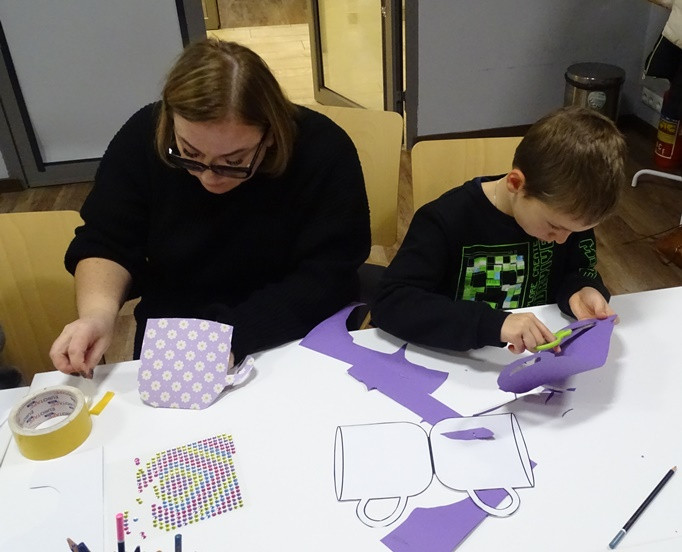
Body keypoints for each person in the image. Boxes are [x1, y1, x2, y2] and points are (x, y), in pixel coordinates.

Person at [49, 39, 371, 377]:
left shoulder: (323, 151)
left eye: (233, 161)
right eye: (189, 153)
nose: (209, 178)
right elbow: (107, 240)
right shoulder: (143, 136)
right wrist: (97, 314)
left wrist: (228, 337)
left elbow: (329, 273)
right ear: (170, 121)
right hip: (177, 331)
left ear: (271, 134)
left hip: (295, 326)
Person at [371, 106, 627, 355]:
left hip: (533, 359)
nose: (561, 240)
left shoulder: (568, 218)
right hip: (457, 361)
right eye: (554, 227)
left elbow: (576, 270)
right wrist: (494, 324)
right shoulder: (445, 220)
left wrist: (582, 289)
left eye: (575, 231)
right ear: (516, 184)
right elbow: (390, 302)